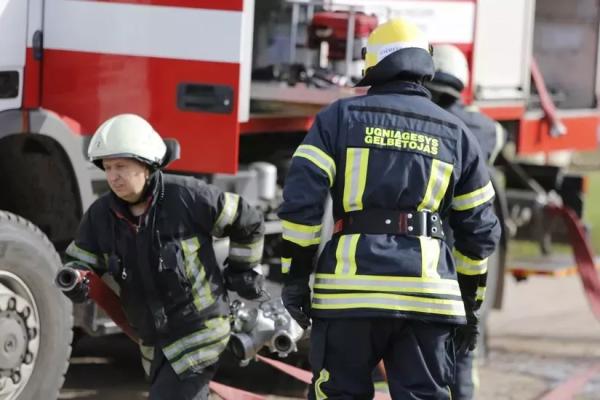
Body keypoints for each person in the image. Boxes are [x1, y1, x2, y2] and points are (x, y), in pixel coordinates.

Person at [279, 19, 500, 399]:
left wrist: (296, 277)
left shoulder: (338, 118)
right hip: (428, 297)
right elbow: (479, 233)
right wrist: (469, 303)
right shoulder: (457, 134)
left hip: (349, 295)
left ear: (373, 63)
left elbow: (302, 205)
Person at [61, 114, 265, 400]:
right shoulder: (100, 216)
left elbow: (248, 220)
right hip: (154, 344)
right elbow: (80, 260)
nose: (113, 176)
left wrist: (242, 270)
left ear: (145, 165)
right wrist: (77, 279)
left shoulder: (187, 196)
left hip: (200, 333)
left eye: (121, 166)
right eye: (107, 168)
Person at [426, 43, 507, 400]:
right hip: (466, 253)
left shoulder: (420, 117)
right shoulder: (487, 128)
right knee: (462, 343)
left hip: (423, 251)